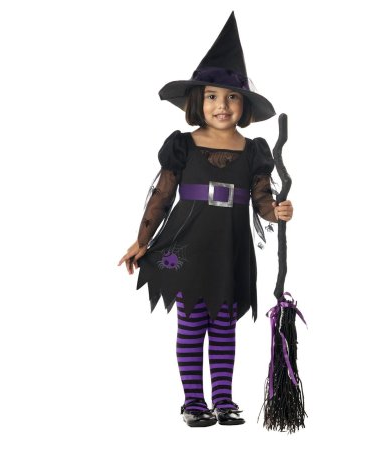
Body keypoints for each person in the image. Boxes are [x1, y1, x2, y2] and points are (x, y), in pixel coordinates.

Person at [117, 11, 293, 427]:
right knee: (193, 322)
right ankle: (194, 403)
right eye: (212, 96)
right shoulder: (183, 145)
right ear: (197, 101)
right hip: (188, 247)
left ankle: (224, 400)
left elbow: (261, 199)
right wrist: (142, 240)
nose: (221, 105)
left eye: (232, 98)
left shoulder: (253, 151)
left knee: (224, 325)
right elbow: (162, 196)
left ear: (244, 106)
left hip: (229, 249)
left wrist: (276, 211)